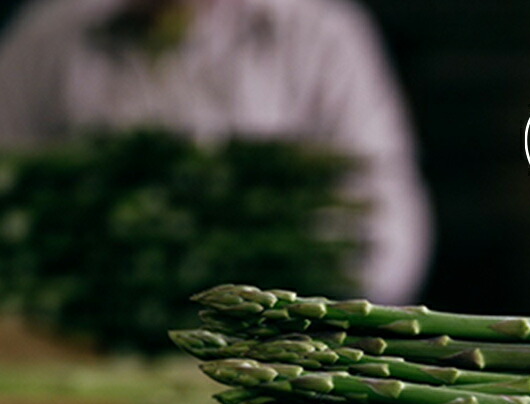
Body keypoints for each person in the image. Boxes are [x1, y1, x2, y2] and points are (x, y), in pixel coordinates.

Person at [0, 0, 432, 304]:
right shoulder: (45, 37)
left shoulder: (322, 36)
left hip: (281, 350)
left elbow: (389, 242)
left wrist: (273, 260)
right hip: (81, 344)